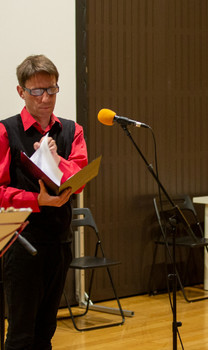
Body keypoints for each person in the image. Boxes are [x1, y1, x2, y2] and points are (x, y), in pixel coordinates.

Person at [0, 54, 88, 350]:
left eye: (51, 89)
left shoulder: (71, 130)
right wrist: (35, 200)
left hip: (59, 242)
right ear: (21, 91)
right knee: (21, 334)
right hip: (21, 244)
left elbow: (80, 178)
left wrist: (56, 159)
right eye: (36, 91)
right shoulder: (5, 131)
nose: (45, 98)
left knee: (45, 331)